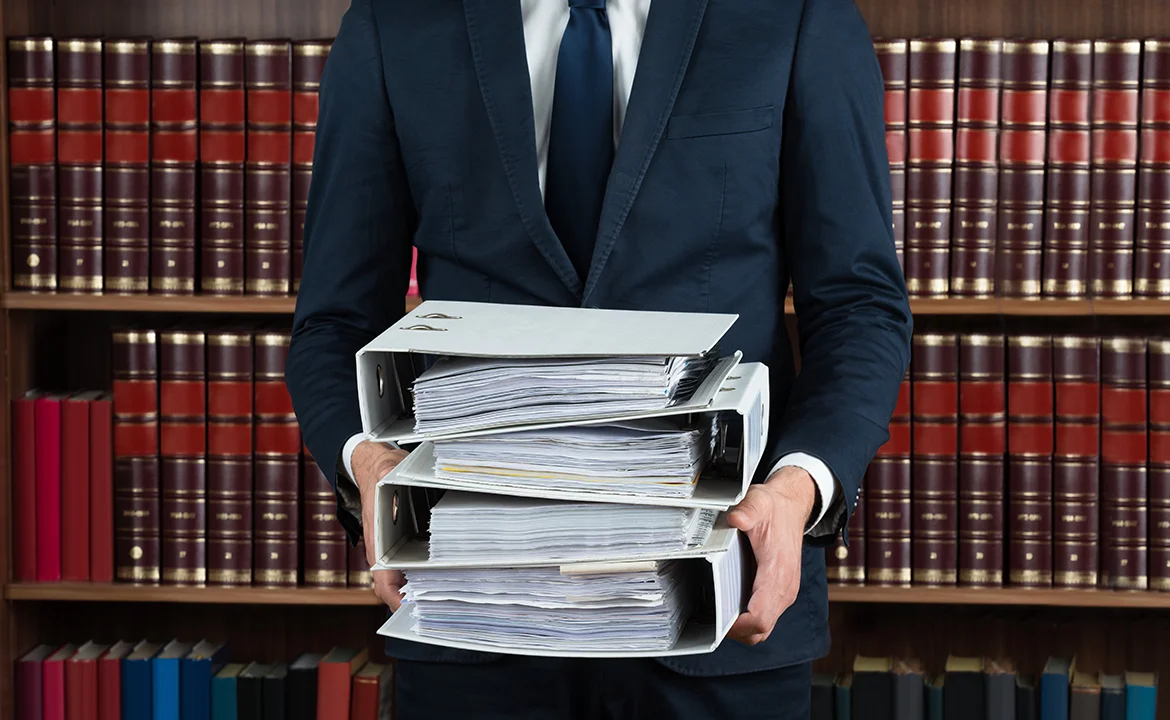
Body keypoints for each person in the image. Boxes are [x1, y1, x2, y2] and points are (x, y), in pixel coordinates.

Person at [286, 0, 912, 717]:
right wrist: (367, 462)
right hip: (473, 618)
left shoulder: (797, 16)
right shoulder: (394, 25)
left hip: (721, 613)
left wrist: (797, 491)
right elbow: (334, 323)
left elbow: (860, 307)